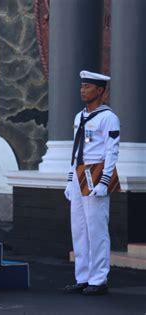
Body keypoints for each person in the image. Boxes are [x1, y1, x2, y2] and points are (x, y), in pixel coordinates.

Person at [64, 70, 120, 296]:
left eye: (87, 87)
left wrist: (105, 181)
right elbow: (76, 149)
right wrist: (70, 179)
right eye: (81, 86)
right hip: (79, 174)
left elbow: (112, 150)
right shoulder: (79, 117)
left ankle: (99, 279)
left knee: (96, 229)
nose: (82, 90)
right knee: (78, 228)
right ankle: (83, 276)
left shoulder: (108, 117)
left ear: (100, 91)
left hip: (96, 173)